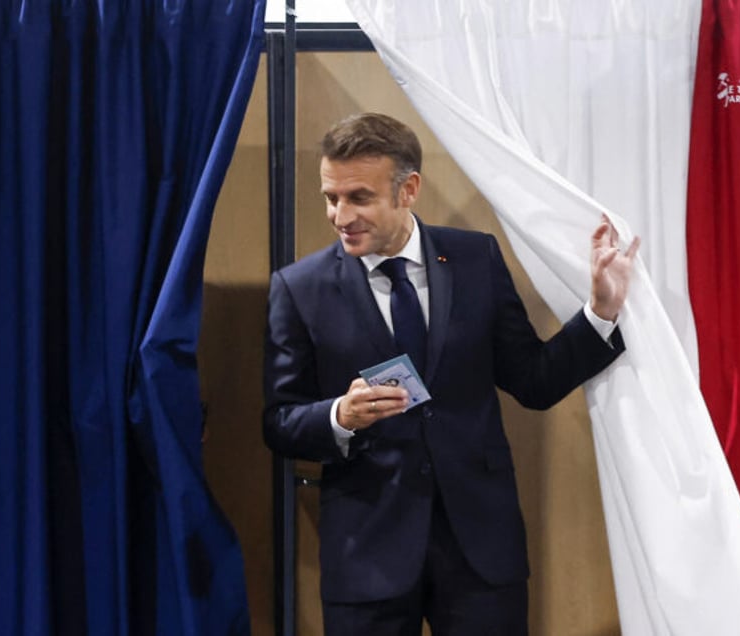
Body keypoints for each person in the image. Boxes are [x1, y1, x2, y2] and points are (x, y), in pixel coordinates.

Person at [263, 113, 639, 635]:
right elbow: (279, 421)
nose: (340, 215)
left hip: (481, 552)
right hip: (367, 555)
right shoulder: (298, 288)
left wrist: (600, 311)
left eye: (359, 198)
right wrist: (338, 417)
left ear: (408, 189)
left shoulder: (475, 258)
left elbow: (534, 380)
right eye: (332, 197)